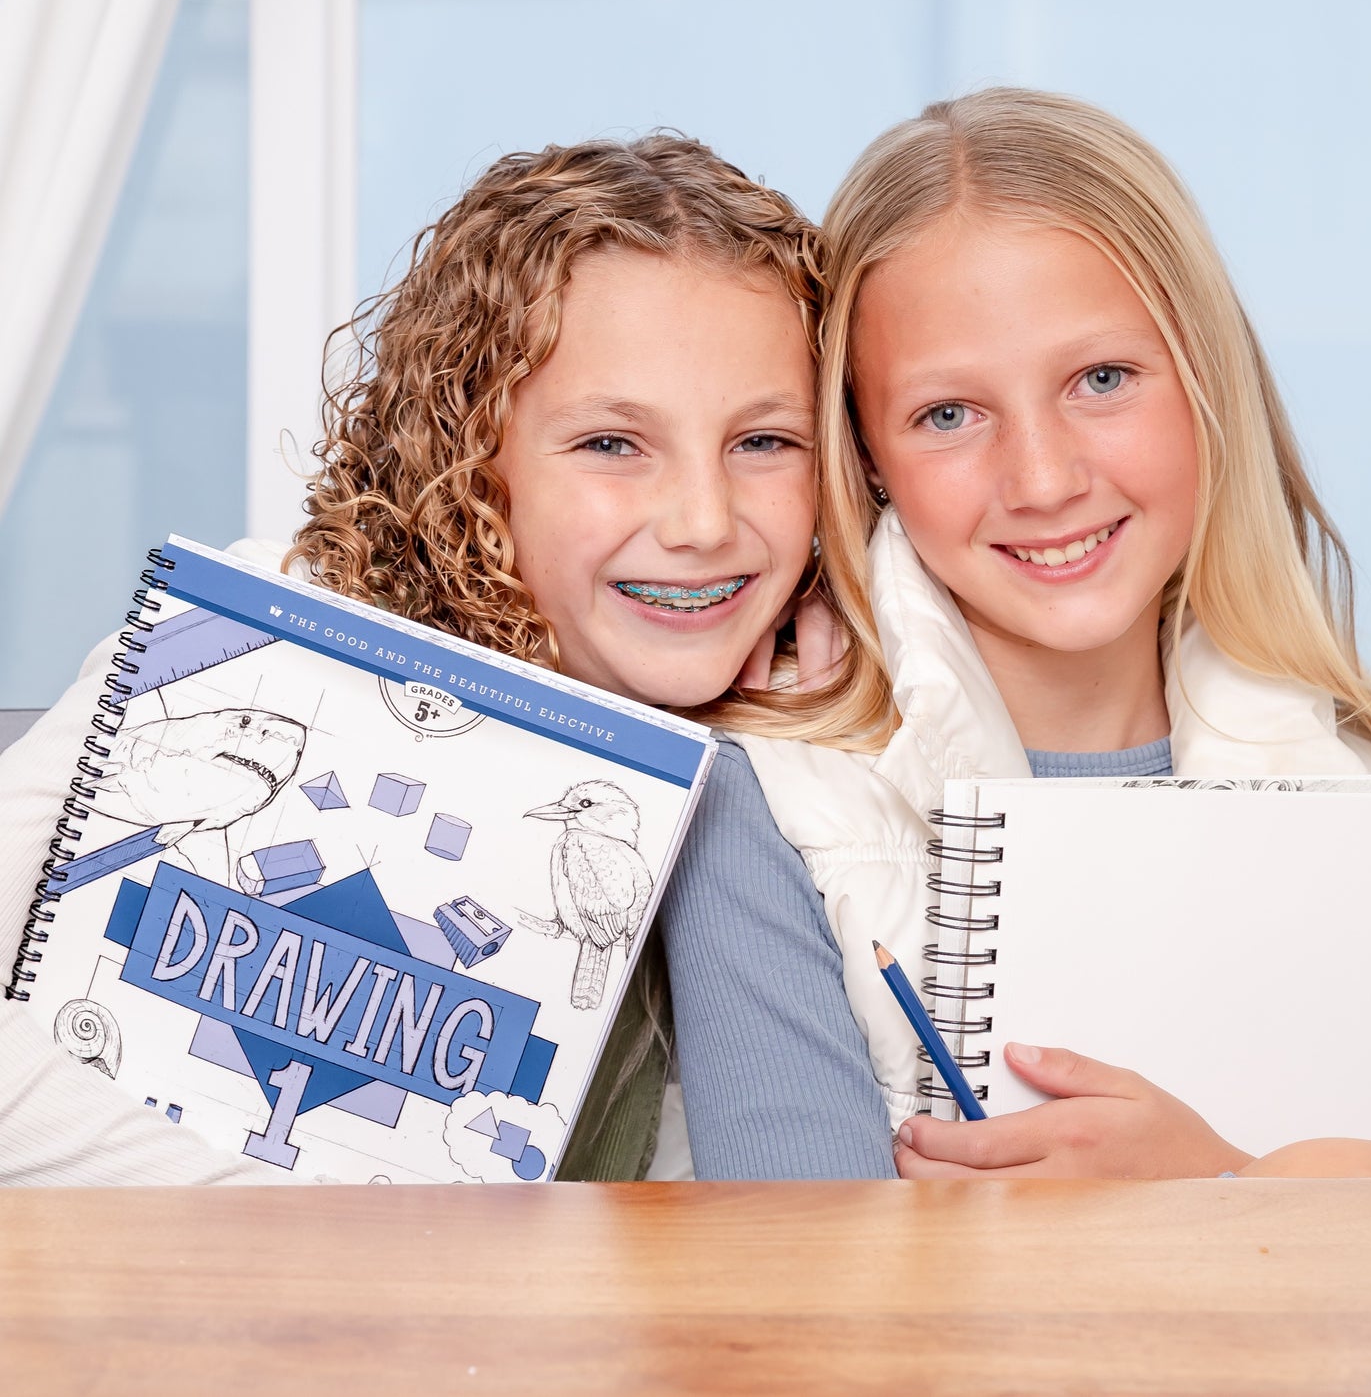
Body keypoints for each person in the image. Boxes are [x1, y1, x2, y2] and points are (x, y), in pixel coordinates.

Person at [0, 132, 884, 1186]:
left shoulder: (795, 745)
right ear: (469, 450)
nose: (703, 521)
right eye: (611, 443)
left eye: (765, 443)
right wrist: (304, 1243)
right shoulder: (243, 644)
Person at [662, 87, 1371, 1180]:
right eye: (949, 414)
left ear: (1207, 384)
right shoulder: (766, 804)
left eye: (1102, 379)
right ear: (868, 458)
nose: (1042, 480)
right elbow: (795, 1287)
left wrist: (1211, 1188)